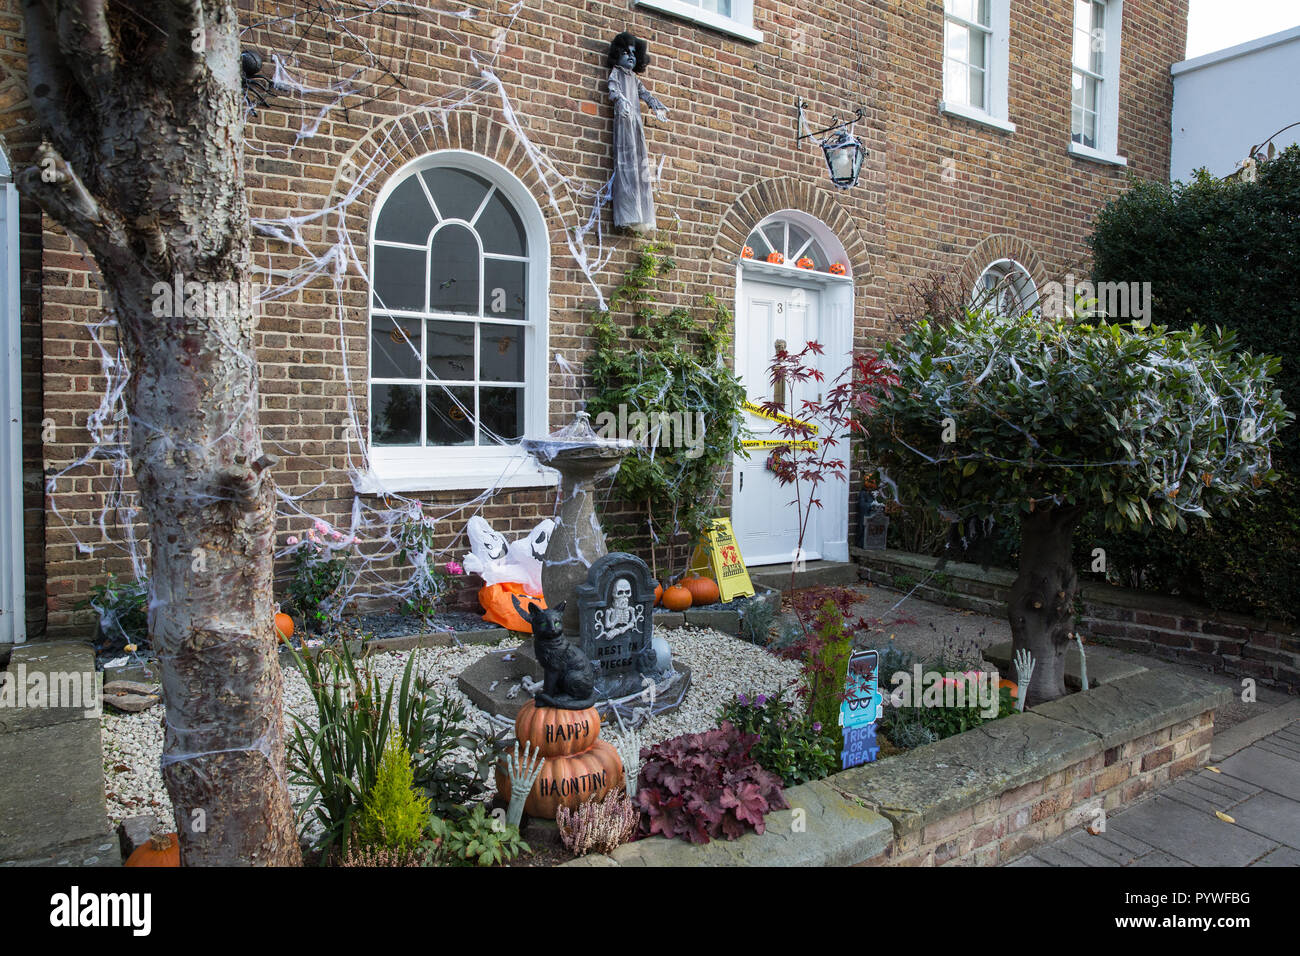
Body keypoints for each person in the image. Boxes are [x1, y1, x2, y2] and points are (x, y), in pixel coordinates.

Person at [606, 31, 668, 232]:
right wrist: (620, 101)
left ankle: (641, 210)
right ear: (618, 55)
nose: (630, 57)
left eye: (633, 53)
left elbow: (645, 95)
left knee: (639, 160)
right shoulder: (617, 73)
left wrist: (656, 107)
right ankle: (628, 210)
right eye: (625, 52)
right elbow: (613, 90)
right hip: (624, 121)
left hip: (636, 125)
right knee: (626, 162)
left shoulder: (634, 79)